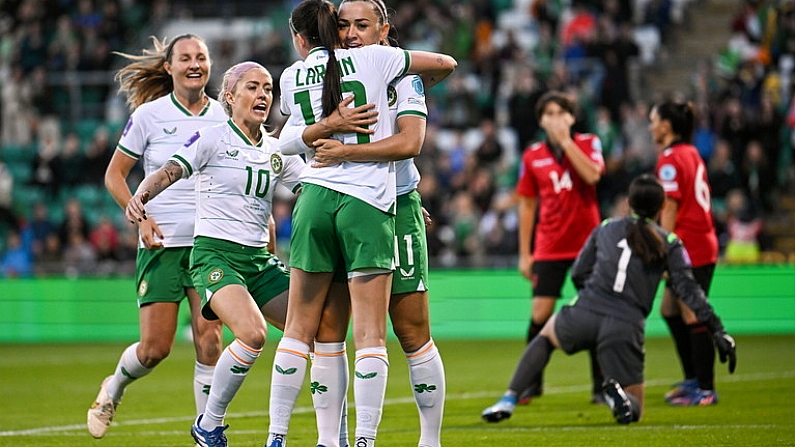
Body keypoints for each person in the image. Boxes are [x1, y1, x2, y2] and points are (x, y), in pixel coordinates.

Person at [266, 2, 456, 447]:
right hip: (365, 204)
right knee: (331, 331)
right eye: (343, 25)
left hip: (395, 204)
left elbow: (410, 142)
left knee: (411, 330)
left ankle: (429, 440)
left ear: (385, 28)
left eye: (361, 25)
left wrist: (341, 149)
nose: (350, 33)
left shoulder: (399, 74)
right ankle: (334, 439)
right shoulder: (341, 69)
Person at [124, 61, 304, 447]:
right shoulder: (212, 138)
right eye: (253, 88)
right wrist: (142, 196)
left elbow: (313, 191)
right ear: (230, 96)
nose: (263, 95)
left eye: (268, 89)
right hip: (215, 257)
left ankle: (284, 434)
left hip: (260, 261)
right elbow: (170, 170)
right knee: (252, 334)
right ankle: (209, 423)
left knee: (317, 331)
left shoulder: (278, 150)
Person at [481, 174, 737, 425]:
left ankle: (508, 398)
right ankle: (620, 399)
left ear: (629, 202)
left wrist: (591, 298)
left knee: (546, 337)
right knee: (636, 411)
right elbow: (690, 291)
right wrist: (718, 330)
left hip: (587, 309)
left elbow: (579, 271)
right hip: (626, 323)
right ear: (662, 206)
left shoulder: (606, 227)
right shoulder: (669, 242)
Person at [88, 34, 227, 439]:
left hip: (210, 243)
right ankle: (113, 388)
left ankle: (207, 431)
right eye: (185, 58)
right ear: (169, 67)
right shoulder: (149, 115)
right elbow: (114, 176)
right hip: (161, 243)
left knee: (210, 341)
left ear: (210, 64)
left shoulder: (224, 116)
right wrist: (141, 217)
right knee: (155, 349)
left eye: (201, 56)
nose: (195, 63)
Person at [514, 90, 605, 403]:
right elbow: (526, 205)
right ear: (540, 120)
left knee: (597, 313)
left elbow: (593, 176)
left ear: (572, 117)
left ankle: (602, 386)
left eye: (560, 112)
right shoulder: (532, 156)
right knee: (540, 314)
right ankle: (530, 382)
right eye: (548, 113)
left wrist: (567, 142)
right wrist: (525, 253)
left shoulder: (588, 143)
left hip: (588, 245)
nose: (555, 119)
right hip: (550, 246)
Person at [649, 100, 722, 406]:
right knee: (669, 309)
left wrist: (665, 251)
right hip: (699, 242)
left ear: (666, 126)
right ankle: (693, 378)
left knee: (691, 314)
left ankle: (705, 389)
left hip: (689, 247)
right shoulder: (690, 153)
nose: (651, 126)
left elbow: (670, 206)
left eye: (653, 120)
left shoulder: (668, 159)